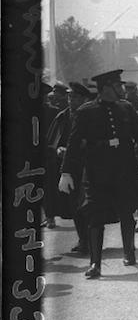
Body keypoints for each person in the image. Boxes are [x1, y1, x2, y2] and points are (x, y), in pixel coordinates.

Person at [58, 70, 138, 279]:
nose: (121, 90)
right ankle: (95, 263)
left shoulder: (126, 108)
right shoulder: (85, 112)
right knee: (95, 217)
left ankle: (129, 252)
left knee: (127, 213)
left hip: (124, 171)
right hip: (97, 174)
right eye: (117, 86)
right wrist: (66, 173)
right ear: (105, 88)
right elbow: (73, 145)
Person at [47, 82, 93, 252]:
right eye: (69, 96)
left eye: (74, 97)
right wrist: (58, 148)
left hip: (89, 166)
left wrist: (86, 143)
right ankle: (83, 238)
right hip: (70, 168)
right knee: (75, 205)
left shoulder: (92, 115)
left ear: (84, 99)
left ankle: (89, 240)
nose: (71, 100)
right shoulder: (63, 116)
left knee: (87, 203)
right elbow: (54, 140)